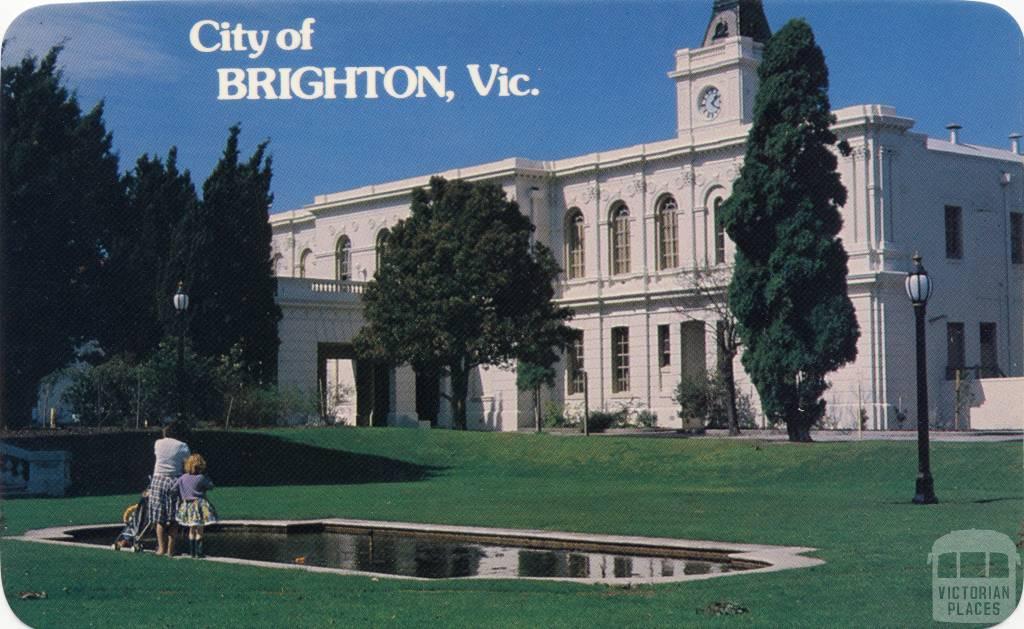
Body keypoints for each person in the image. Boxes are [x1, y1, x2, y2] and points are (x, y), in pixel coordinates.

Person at [147, 420, 190, 556]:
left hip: (158, 479)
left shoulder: (158, 443)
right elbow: (186, 465)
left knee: (159, 518)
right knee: (174, 518)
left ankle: (161, 549)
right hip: (175, 480)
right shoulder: (183, 446)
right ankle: (171, 550)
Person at [173, 453, 218, 558]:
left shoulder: (182, 478)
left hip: (187, 506)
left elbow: (174, 489)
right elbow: (211, 486)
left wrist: (182, 493)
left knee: (191, 529)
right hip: (199, 505)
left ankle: (192, 552)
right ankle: (199, 552)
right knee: (200, 529)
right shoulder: (201, 478)